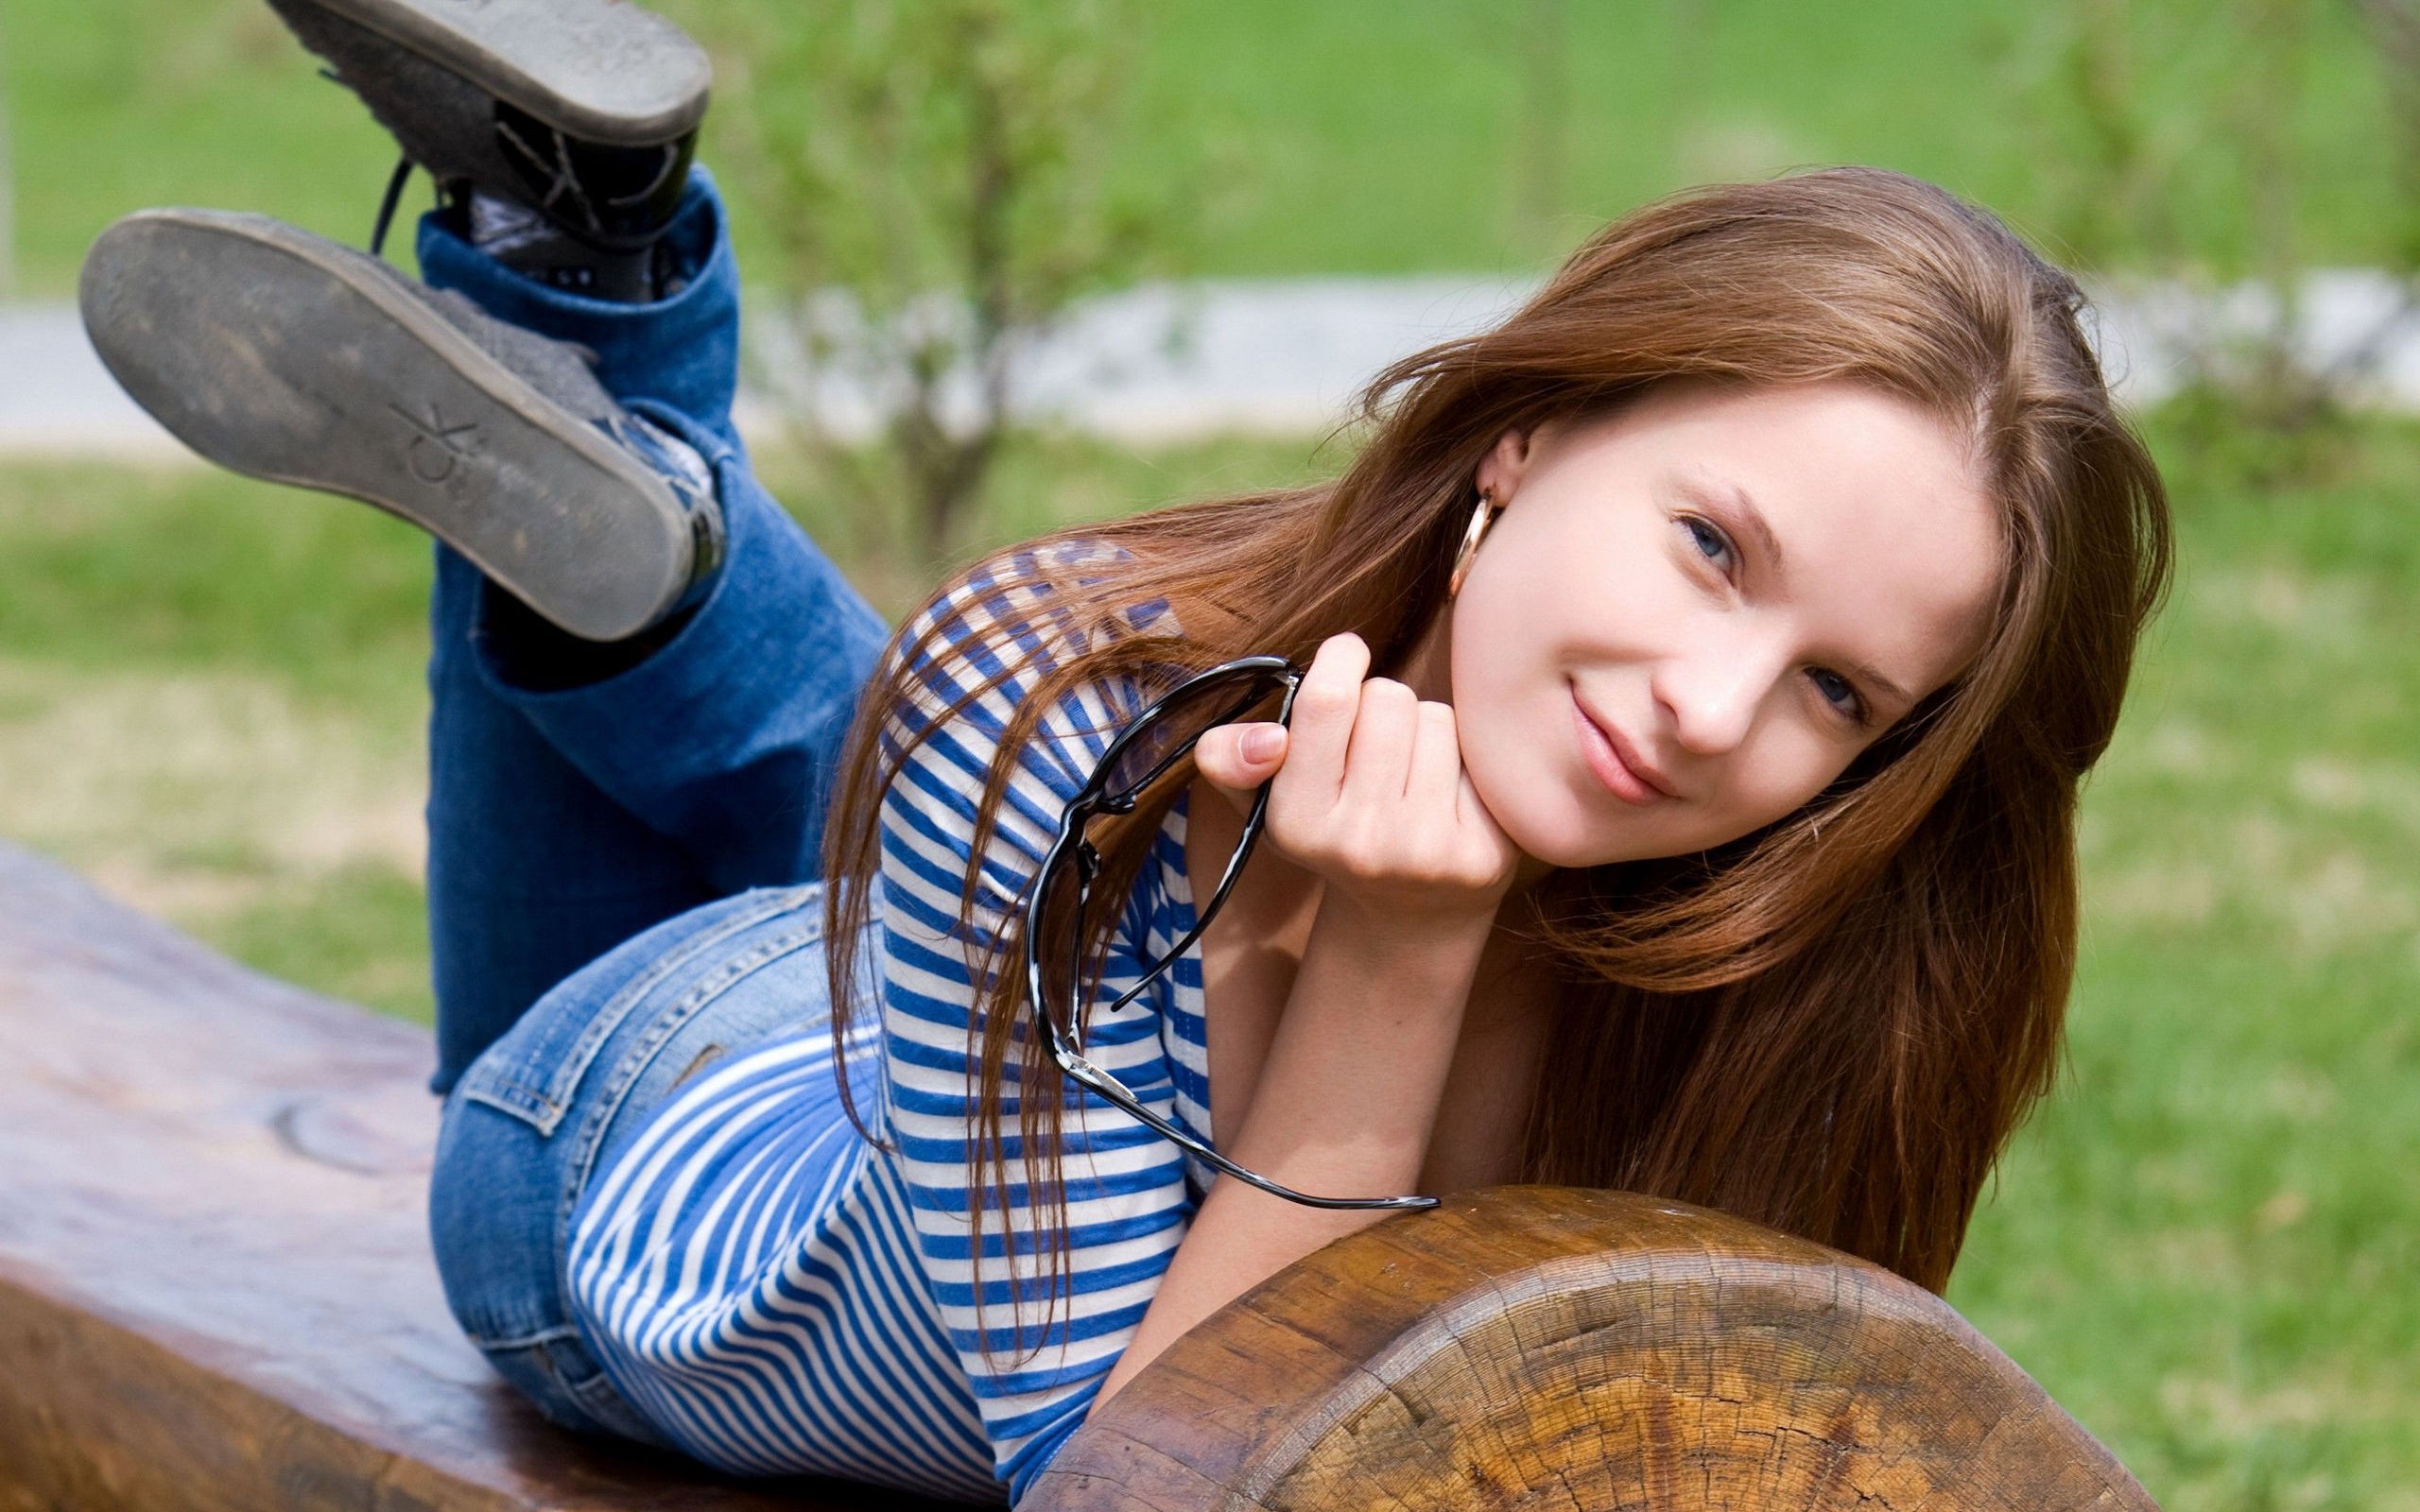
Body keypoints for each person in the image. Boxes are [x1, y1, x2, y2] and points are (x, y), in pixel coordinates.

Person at [79, 1, 2173, 1503]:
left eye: (1836, 693)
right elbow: (1149, 1480)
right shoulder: (1068, 694)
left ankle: (614, 375)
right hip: (638, 1141)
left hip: (1001, 930)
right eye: (1711, 547)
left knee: (1021, 759)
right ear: (1523, 437)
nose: (1711, 708)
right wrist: (1387, 975)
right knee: (1026, 718)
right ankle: (600, 382)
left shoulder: (1812, 954)